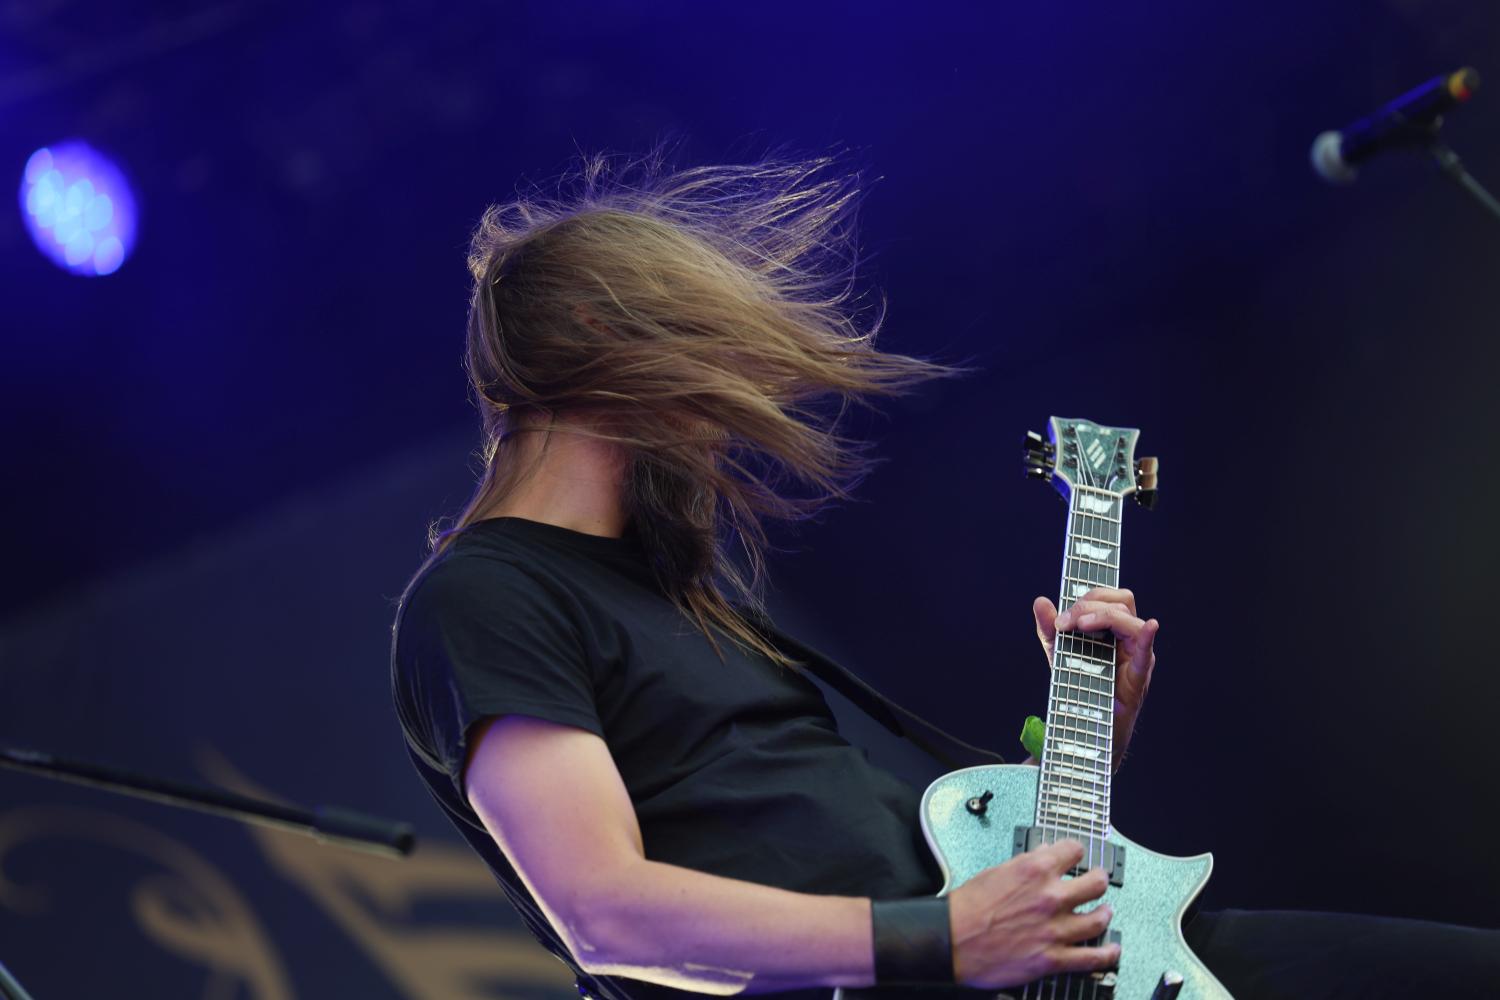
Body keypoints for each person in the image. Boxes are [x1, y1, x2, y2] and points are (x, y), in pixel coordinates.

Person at [390, 150, 1499, 1000]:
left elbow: (880, 850)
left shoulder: (665, 588)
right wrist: (944, 937)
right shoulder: (485, 595)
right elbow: (605, 913)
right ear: (595, 332)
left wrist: (1087, 741)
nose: (735, 388)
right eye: (704, 342)